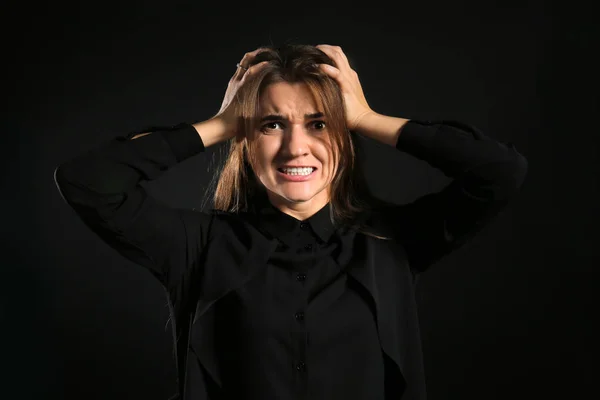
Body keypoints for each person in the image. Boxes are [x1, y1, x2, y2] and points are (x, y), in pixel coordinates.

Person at [54, 43, 528, 400]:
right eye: (271, 124)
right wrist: (222, 123)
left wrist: (365, 116)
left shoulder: (391, 240)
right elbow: (88, 181)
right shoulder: (196, 246)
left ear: (345, 138)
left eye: (320, 123)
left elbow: (498, 172)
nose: (295, 147)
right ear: (247, 140)